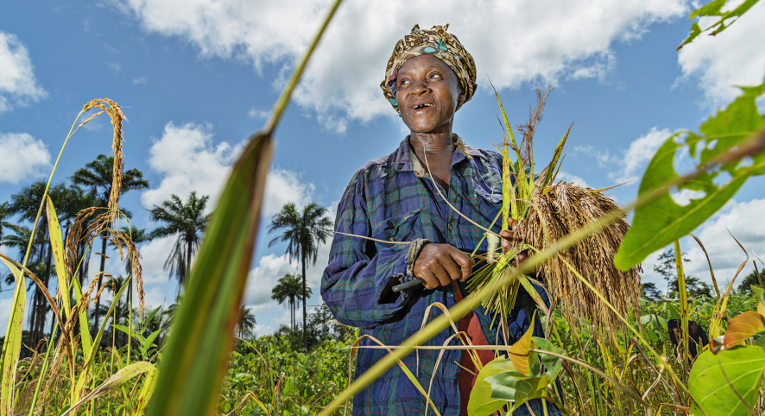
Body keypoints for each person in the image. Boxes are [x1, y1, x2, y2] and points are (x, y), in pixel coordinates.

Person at [321, 24, 561, 416]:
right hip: (406, 394)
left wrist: (531, 259)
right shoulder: (369, 183)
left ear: (460, 90)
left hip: (513, 383)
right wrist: (407, 261)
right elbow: (338, 291)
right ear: (396, 98)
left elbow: (554, 272)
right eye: (405, 82)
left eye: (434, 76)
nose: (419, 89)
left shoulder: (506, 173)